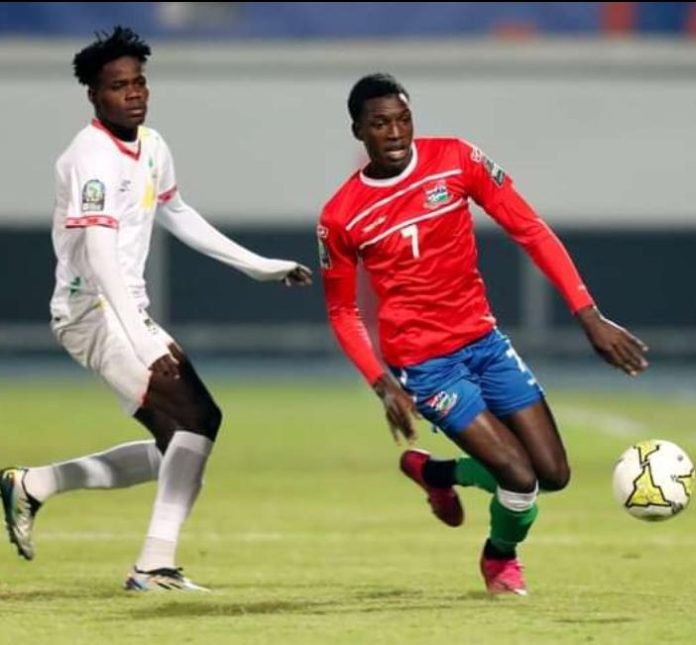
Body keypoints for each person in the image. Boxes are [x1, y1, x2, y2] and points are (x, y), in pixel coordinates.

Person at [0, 26, 312, 592]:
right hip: (93, 313)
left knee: (180, 445)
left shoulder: (153, 146)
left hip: (122, 310)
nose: (134, 93)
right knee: (200, 419)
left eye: (139, 82)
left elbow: (179, 213)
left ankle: (35, 484)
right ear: (94, 95)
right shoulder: (90, 157)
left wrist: (258, 265)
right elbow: (98, 255)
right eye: (119, 85)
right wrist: (141, 335)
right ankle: (153, 567)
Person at [318, 73, 648, 596]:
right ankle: (500, 558)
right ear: (358, 130)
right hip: (426, 364)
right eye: (380, 124)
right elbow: (342, 311)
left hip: (485, 343)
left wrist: (588, 315)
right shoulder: (340, 216)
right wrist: (383, 384)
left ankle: (438, 474)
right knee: (518, 477)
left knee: (553, 474)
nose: (396, 133)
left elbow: (530, 229)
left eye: (404, 119)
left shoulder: (457, 159)